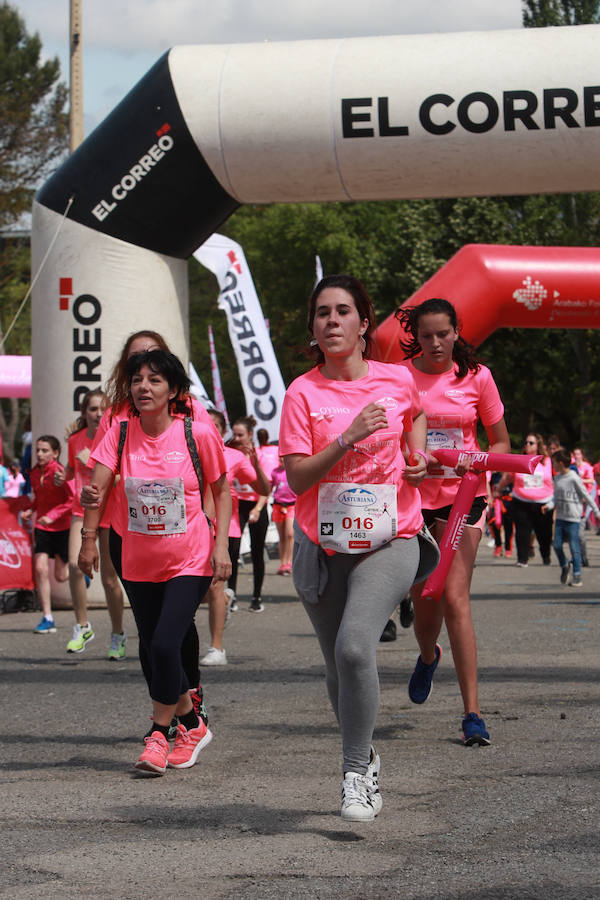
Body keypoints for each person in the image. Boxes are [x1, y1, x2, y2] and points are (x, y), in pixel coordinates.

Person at [280, 274, 437, 822]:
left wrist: (415, 457)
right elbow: (298, 480)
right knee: (336, 666)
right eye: (322, 313)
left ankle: (351, 775)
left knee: (353, 648)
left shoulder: (395, 380)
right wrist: (346, 436)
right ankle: (365, 754)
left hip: (391, 536)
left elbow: (414, 418)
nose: (331, 321)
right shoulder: (302, 392)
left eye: (343, 311)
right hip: (322, 545)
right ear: (313, 327)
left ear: (364, 323)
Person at [79, 349, 231, 775]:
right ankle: (191, 723)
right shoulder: (120, 433)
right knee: (151, 647)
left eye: (155, 380)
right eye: (137, 380)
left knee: (165, 643)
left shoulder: (196, 434)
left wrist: (221, 547)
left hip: (190, 556)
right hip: (138, 558)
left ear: (174, 391)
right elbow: (98, 486)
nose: (143, 387)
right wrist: (90, 524)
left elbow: (221, 490)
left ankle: (158, 734)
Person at [396, 297, 510, 747]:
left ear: (457, 331)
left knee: (456, 597)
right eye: (427, 335)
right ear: (416, 338)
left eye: (443, 333)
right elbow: (394, 435)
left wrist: (477, 463)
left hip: (464, 498)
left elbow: (498, 441)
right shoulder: (402, 376)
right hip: (416, 499)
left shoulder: (477, 377)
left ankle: (473, 714)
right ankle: (428, 654)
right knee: (427, 597)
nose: (436, 342)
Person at [54, 390, 126, 658]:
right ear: (84, 413)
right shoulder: (74, 440)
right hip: (80, 510)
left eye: (102, 409)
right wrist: (64, 476)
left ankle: (118, 634)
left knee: (109, 578)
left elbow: (120, 480)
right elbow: (72, 470)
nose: (97, 414)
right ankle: (82, 626)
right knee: (75, 565)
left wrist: (91, 461)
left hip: (109, 512)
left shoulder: (116, 438)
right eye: (92, 409)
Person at [200, 409, 270, 666]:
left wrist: (255, 464)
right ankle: (226, 599)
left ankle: (217, 648)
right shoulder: (186, 453)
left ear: (222, 431)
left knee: (214, 586)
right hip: (192, 529)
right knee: (197, 589)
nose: (208, 430)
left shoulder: (234, 457)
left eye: (214, 426)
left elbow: (264, 489)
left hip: (224, 531)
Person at [22, 436, 73, 634]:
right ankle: (47, 617)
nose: (39, 454)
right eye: (37, 450)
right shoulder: (34, 473)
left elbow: (72, 500)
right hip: (42, 528)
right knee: (41, 569)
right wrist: (30, 510)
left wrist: (53, 516)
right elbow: (38, 498)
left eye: (44, 450)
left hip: (62, 528)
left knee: (61, 576)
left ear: (55, 453)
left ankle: (79, 575)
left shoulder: (60, 473)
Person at [227, 416, 270, 612]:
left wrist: (258, 509)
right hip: (238, 505)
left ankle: (256, 596)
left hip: (256, 505)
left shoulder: (260, 454)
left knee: (257, 552)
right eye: (234, 434)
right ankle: (231, 595)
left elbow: (266, 488)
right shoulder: (231, 452)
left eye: (240, 435)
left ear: (250, 435)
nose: (236, 438)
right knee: (232, 551)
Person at [550, 449, 600, 587]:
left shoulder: (574, 477)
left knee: (574, 547)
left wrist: (597, 512)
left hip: (573, 519)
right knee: (557, 545)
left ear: (560, 463)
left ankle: (577, 575)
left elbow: (586, 495)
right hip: (560, 517)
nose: (552, 465)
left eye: (554, 463)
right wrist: (548, 505)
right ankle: (565, 565)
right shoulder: (557, 478)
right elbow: (555, 498)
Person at [504, 433, 554, 568]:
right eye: (526, 443)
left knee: (544, 533)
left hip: (543, 502)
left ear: (538, 445)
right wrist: (497, 490)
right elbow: (508, 477)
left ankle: (546, 555)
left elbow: (556, 479)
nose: (527, 445)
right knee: (522, 531)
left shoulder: (547, 461)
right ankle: (522, 559)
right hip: (521, 501)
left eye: (531, 443)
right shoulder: (520, 460)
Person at [270, 456, 296, 574]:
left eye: (284, 458)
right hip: (278, 505)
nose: (282, 460)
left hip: (292, 504)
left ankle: (289, 562)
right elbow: (269, 488)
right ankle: (283, 562)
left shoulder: (293, 470)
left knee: (290, 534)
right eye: (280, 458)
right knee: (282, 537)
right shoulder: (275, 472)